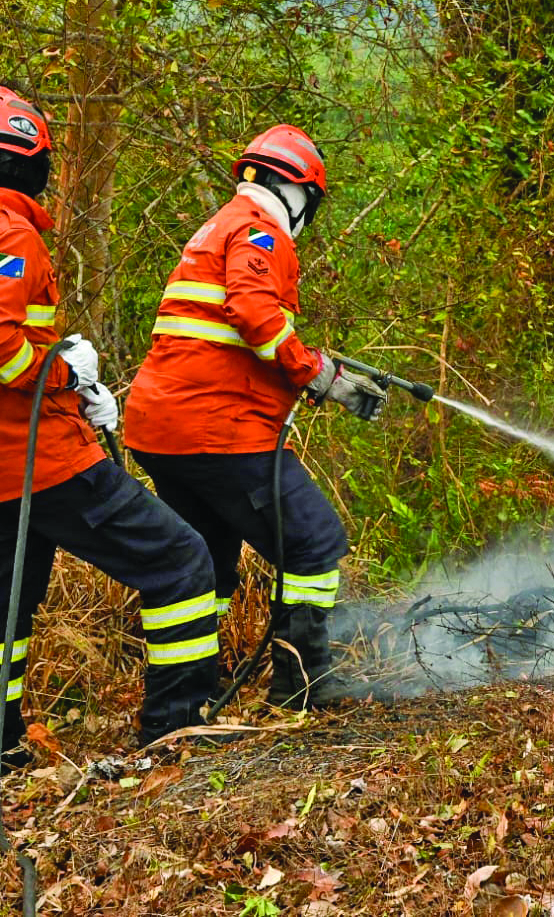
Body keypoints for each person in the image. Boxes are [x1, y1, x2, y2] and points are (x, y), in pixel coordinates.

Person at [0, 85, 221, 768]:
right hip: (43, 459)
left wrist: (64, 377)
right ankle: (176, 725)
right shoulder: (9, 234)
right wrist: (68, 376)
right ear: (31, 162)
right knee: (180, 561)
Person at [123, 124, 386, 710]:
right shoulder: (259, 231)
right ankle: (301, 690)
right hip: (217, 431)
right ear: (297, 191)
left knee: (205, 561)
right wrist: (315, 374)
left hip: (160, 428)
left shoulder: (217, 228)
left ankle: (181, 708)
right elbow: (252, 308)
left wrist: (320, 367)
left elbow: (226, 336)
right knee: (313, 544)